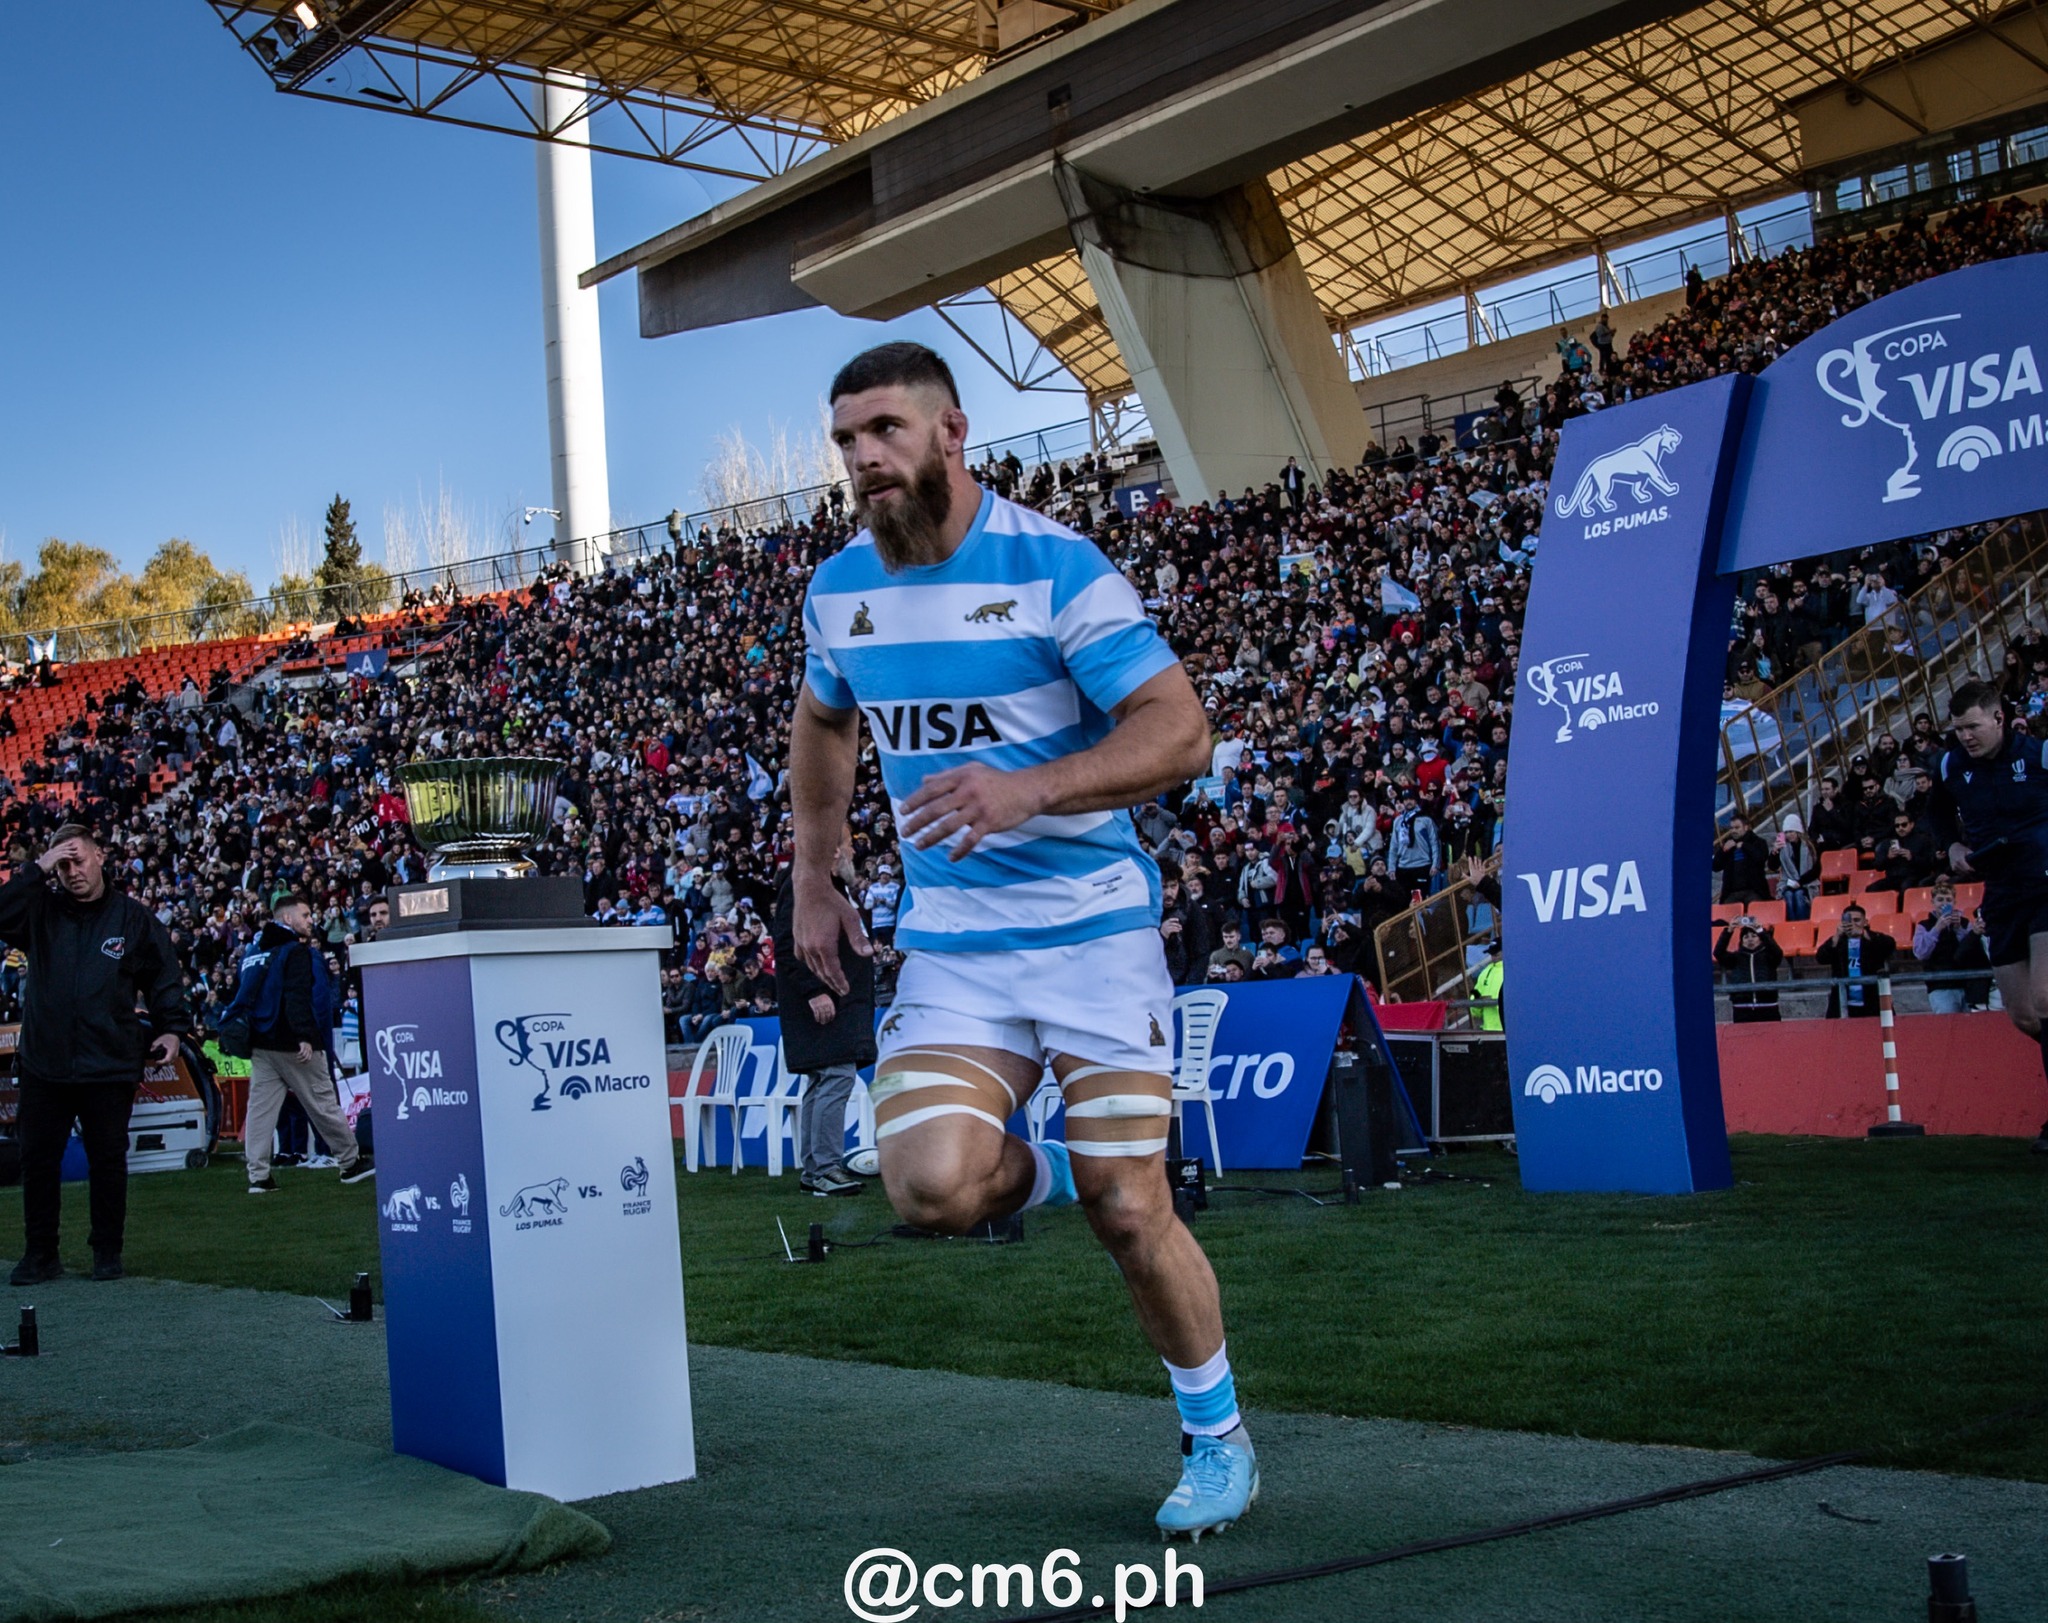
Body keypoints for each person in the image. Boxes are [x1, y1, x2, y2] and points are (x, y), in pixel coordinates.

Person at [789, 342, 1252, 1539]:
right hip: (953, 941)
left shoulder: (1059, 571)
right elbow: (824, 721)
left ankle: (1217, 1438)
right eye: (845, 440)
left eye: (884, 430)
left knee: (1131, 1210)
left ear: (952, 433)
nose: (863, 458)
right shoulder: (840, 589)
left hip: (1092, 932)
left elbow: (1180, 732)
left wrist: (1029, 788)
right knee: (930, 1189)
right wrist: (812, 871)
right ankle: (1041, 1171)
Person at [0, 826, 192, 1284]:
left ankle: (107, 1251)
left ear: (100, 856)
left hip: (109, 1061)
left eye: (78, 861)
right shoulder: (39, 911)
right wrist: (37, 869)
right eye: (62, 866)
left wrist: (172, 1030)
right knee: (38, 1159)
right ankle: (41, 1253)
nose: (71, 872)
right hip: (45, 1061)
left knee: (108, 1159)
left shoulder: (132, 918)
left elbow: (164, 977)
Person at [1926, 679, 2048, 1151]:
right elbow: (1936, 814)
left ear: (1998, 718)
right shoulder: (1950, 765)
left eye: (1973, 727)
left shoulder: (2037, 756)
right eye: (1958, 729)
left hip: (2044, 885)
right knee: (2022, 1014)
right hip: (2001, 893)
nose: (1966, 737)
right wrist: (1950, 843)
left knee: (2044, 998)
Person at [234, 892, 375, 1194]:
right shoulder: (294, 951)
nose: (312, 921)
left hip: (260, 1043)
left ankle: (258, 1176)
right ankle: (350, 1163)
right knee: (323, 1103)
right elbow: (297, 996)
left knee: (260, 1111)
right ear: (288, 918)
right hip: (292, 1044)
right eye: (306, 915)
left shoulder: (253, 951)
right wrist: (304, 1036)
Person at [771, 832, 874, 1196]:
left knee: (822, 1079)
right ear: (832, 851)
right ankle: (826, 1168)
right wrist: (814, 991)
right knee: (835, 1076)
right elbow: (785, 942)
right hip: (824, 1001)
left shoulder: (823, 884)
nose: (851, 854)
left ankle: (814, 1168)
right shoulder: (803, 884)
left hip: (835, 999)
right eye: (847, 847)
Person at [1913, 877, 1992, 1014]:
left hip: (1967, 984)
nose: (1944, 904)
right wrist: (1937, 928)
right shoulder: (1924, 925)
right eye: (1940, 900)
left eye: (1948, 900)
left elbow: (1973, 951)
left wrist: (1959, 930)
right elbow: (1921, 953)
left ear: (1954, 902)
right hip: (1940, 985)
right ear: (1933, 902)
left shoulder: (1965, 923)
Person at [1814, 905, 1894, 1019]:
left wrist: (1863, 933)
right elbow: (1821, 958)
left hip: (1872, 1001)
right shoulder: (1839, 942)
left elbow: (1889, 946)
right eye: (1848, 921)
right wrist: (1836, 936)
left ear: (1865, 922)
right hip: (1844, 1001)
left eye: (1857, 920)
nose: (1852, 924)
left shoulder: (1873, 939)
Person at [1714, 918, 1784, 1022]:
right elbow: (1718, 953)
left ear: (1760, 939)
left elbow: (1777, 952)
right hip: (1742, 1008)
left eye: (1754, 936)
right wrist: (1729, 931)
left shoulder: (1769, 957)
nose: (1750, 939)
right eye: (1746, 937)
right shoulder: (1736, 958)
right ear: (1741, 941)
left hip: (1768, 1006)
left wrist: (1761, 931)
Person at [1713, 816, 1772, 905]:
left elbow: (1761, 858)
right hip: (1732, 893)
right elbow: (1715, 866)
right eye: (1731, 828)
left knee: (1757, 910)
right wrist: (1723, 851)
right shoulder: (1728, 844)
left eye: (1737, 827)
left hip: (1754, 891)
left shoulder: (1758, 842)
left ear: (1746, 827)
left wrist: (1745, 846)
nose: (1733, 831)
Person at [1472, 938, 1504, 1031]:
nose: (1493, 957)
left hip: (1510, 1033)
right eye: (1491, 954)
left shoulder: (1514, 971)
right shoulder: (1485, 972)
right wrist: (1478, 1001)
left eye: (1496, 954)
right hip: (1488, 1031)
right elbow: (1475, 992)